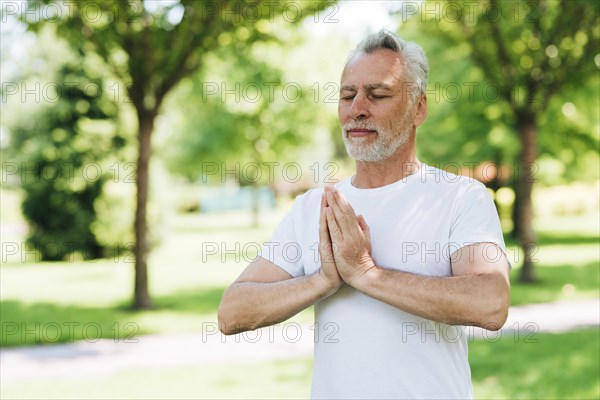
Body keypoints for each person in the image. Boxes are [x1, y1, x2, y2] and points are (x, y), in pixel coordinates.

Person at [218, 29, 510, 399]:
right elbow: (232, 312)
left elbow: (490, 303)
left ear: (418, 108)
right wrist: (320, 281)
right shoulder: (315, 206)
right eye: (347, 95)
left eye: (378, 94)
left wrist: (367, 274)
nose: (357, 108)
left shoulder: (461, 198)